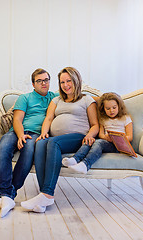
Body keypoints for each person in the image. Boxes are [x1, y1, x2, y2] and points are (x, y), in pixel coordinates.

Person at [20, 67, 99, 213]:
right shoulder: (57, 100)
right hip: (57, 138)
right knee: (41, 142)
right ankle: (43, 197)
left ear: (76, 80)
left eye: (69, 81)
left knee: (53, 142)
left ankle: (47, 194)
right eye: (62, 82)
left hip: (78, 137)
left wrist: (90, 135)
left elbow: (95, 125)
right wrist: (44, 133)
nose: (65, 84)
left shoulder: (87, 100)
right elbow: (48, 118)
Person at [0, 68, 58, 218]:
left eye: (46, 80)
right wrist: (20, 135)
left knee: (28, 151)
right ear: (33, 84)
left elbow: (77, 97)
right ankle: (5, 193)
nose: (43, 83)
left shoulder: (55, 98)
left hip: (37, 135)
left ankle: (9, 195)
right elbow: (17, 120)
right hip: (18, 131)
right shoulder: (25, 98)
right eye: (39, 81)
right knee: (3, 149)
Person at [63, 92, 133, 173]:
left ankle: (85, 165)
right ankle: (75, 159)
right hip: (107, 142)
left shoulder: (125, 118)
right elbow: (101, 134)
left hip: (118, 147)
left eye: (114, 107)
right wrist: (106, 137)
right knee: (90, 140)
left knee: (99, 142)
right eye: (108, 108)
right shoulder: (103, 119)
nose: (111, 111)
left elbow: (130, 137)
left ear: (119, 106)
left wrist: (116, 139)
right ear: (103, 108)